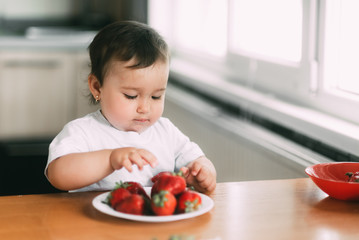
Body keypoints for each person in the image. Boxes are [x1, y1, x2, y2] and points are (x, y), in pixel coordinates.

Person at [45, 20, 216, 194]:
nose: (145, 108)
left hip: (154, 219)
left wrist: (203, 171)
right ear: (97, 87)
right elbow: (58, 175)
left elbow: (197, 159)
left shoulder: (166, 132)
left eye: (156, 96)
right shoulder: (83, 131)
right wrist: (110, 160)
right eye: (131, 96)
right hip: (94, 220)